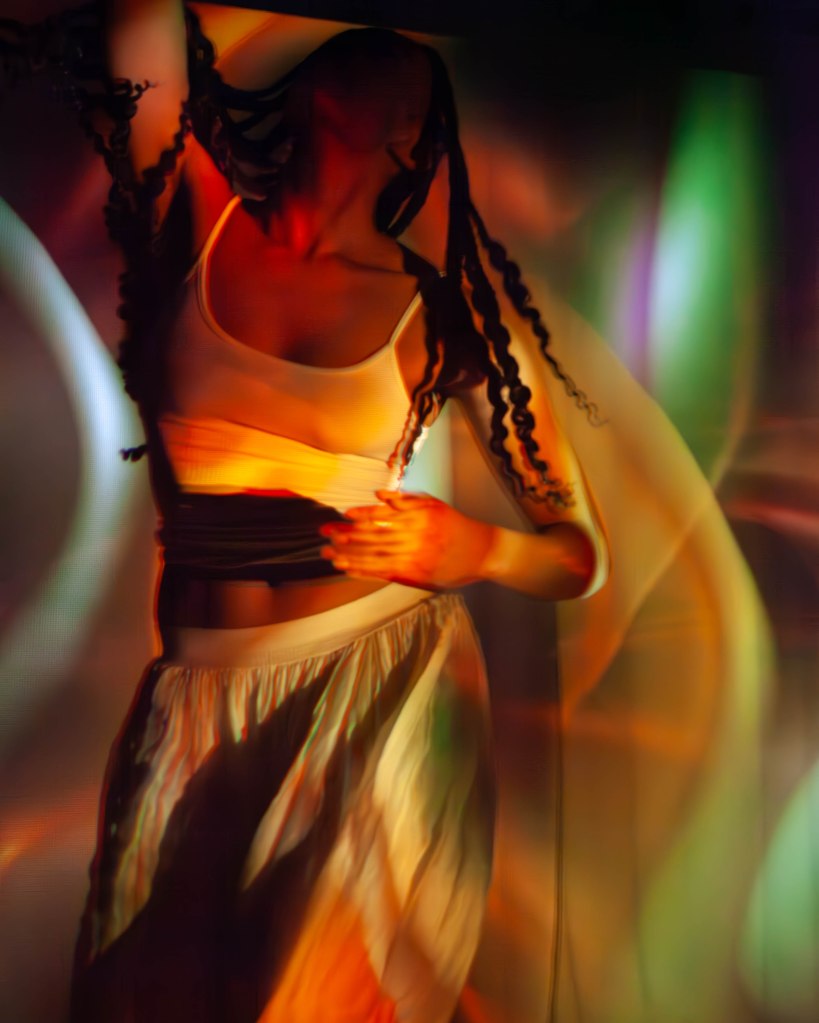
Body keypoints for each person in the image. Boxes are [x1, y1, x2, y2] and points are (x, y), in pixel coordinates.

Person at [5, 3, 607, 1020]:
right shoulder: (196, 219)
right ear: (306, 95)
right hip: (194, 696)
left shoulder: (440, 310)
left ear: (409, 136)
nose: (352, 84)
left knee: (307, 996)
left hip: (371, 693)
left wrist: (473, 546)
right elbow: (140, 34)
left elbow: (576, 554)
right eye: (341, 68)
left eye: (386, 84)